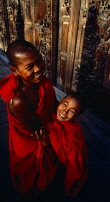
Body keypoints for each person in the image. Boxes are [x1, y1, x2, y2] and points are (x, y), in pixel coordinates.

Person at [0, 40, 58, 201]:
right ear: (14, 70)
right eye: (30, 66)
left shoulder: (44, 82)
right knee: (34, 177)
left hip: (45, 129)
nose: (38, 68)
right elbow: (38, 132)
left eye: (39, 60)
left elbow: (55, 106)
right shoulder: (18, 100)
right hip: (33, 140)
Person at [44, 92, 88, 199]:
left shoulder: (74, 133)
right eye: (65, 104)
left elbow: (74, 161)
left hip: (63, 169)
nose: (65, 111)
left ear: (78, 116)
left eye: (72, 111)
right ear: (61, 100)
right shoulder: (52, 116)